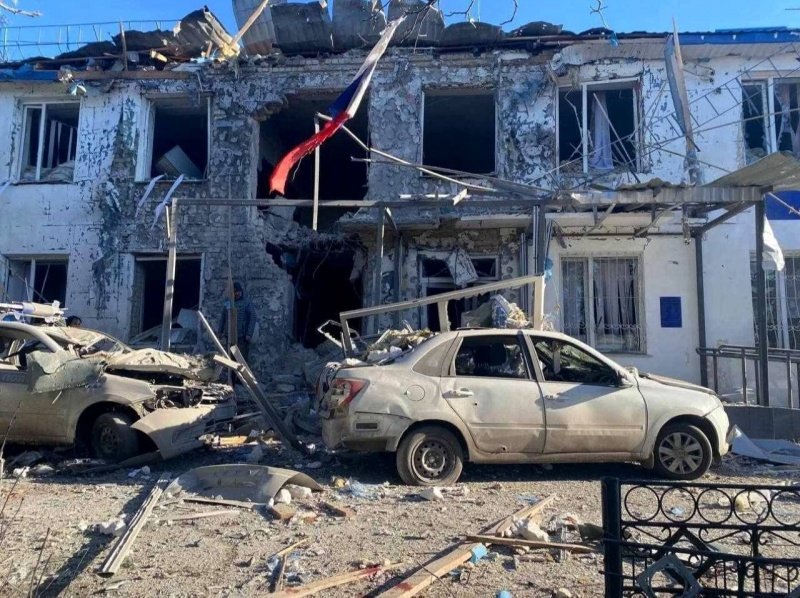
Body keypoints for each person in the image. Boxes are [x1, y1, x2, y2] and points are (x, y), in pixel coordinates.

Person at [217, 281, 256, 360]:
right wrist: (220, 332)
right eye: (235, 292)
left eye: (238, 291)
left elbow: (252, 317)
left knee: (241, 360)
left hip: (242, 337)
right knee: (230, 359)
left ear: (241, 291)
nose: (237, 294)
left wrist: (249, 333)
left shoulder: (246, 303)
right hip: (229, 336)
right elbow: (223, 318)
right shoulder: (228, 303)